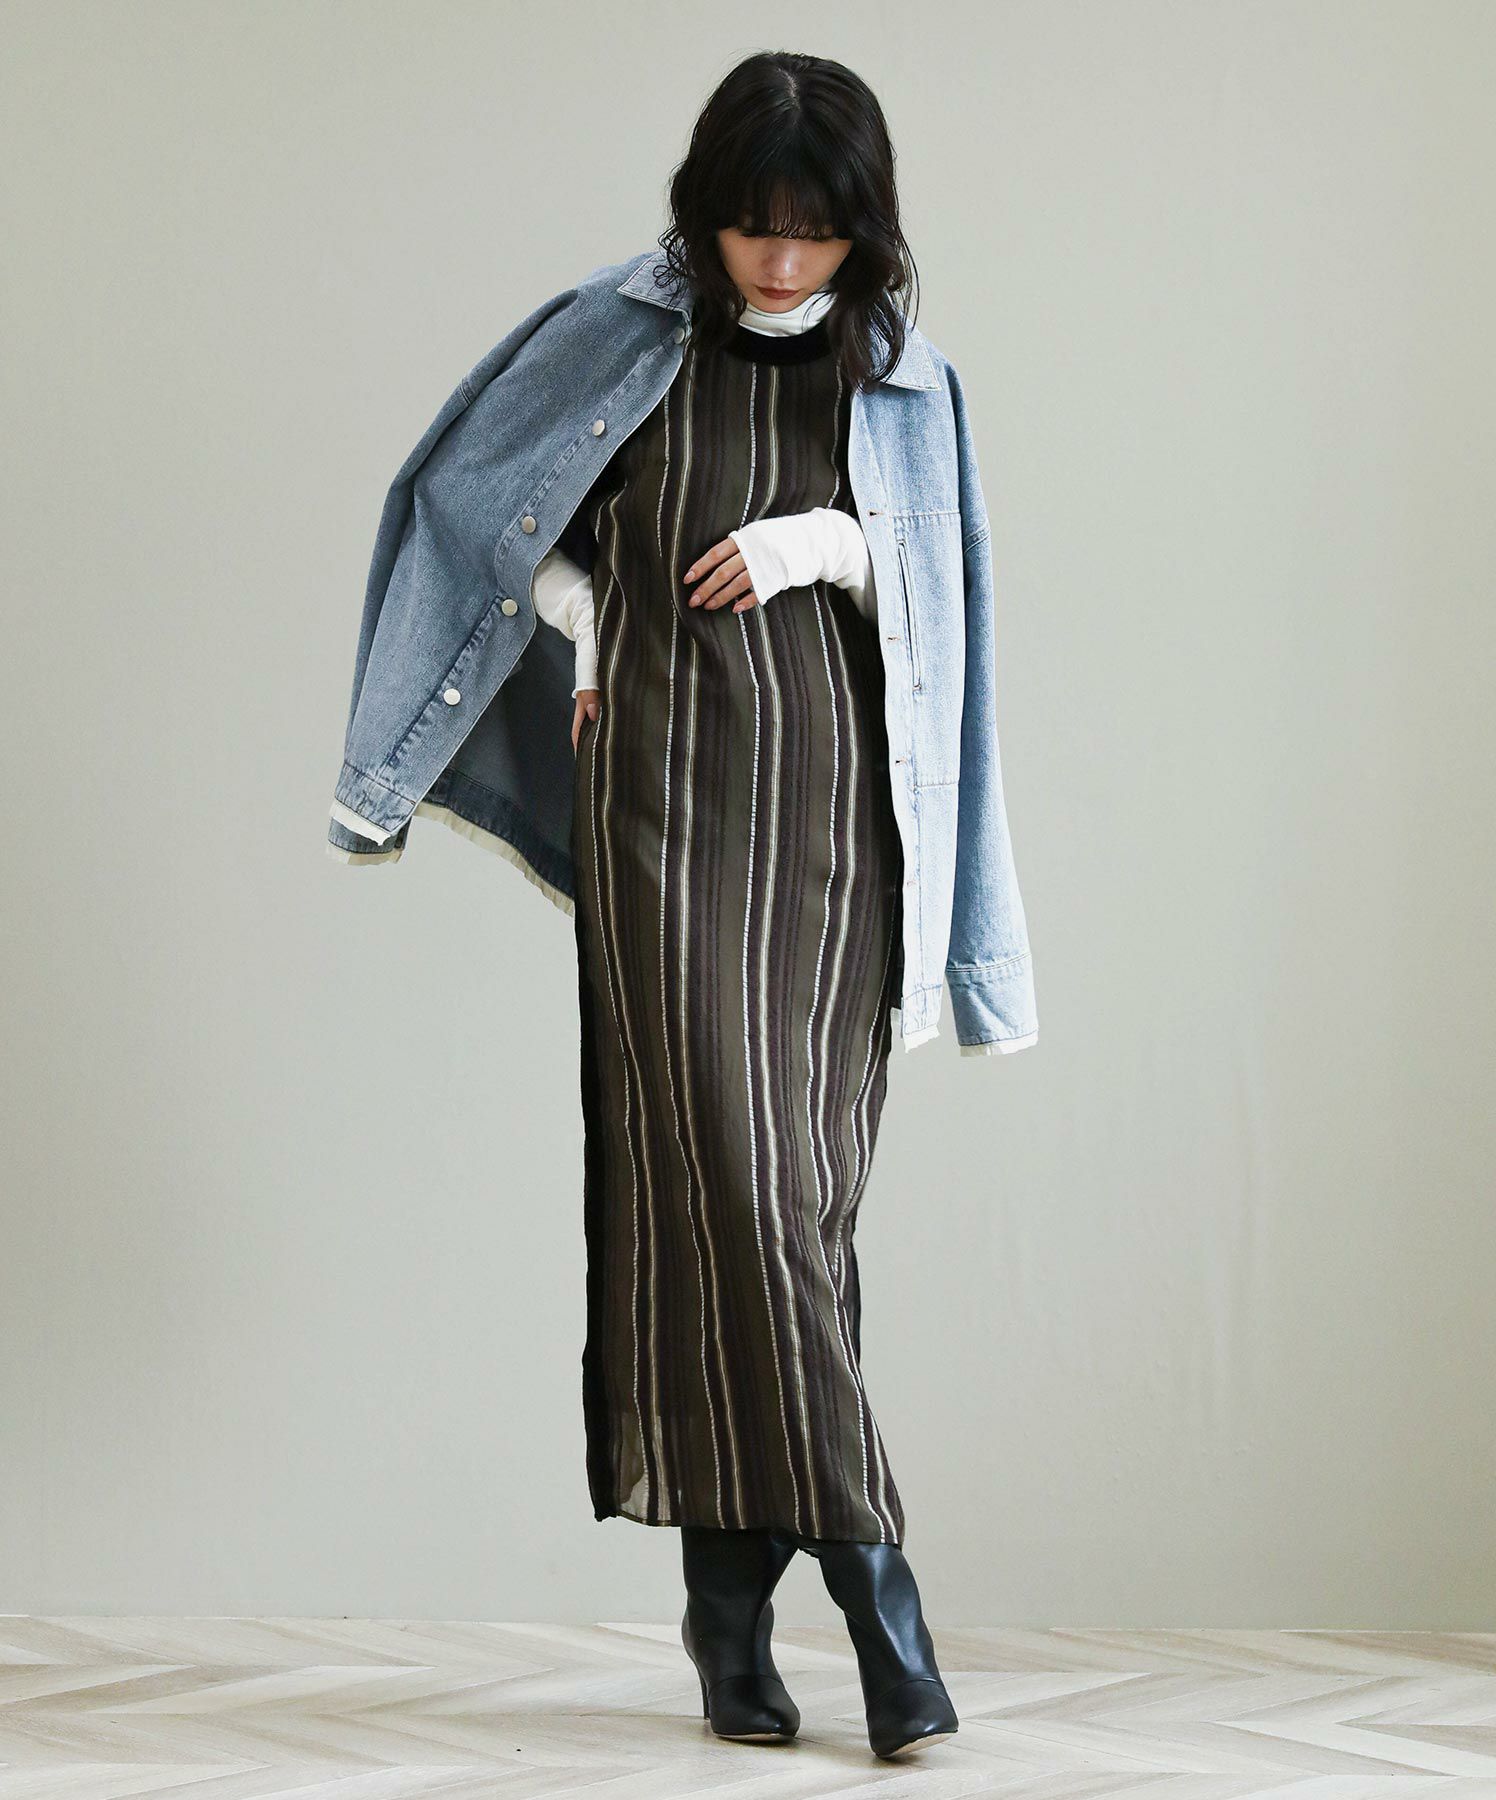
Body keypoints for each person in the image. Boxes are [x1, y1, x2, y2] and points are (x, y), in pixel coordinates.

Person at [328, 47, 1038, 1766]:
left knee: (788, 1212)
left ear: (866, 230)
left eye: (817, 232)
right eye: (750, 227)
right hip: (660, 804)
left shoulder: (908, 381)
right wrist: (589, 612)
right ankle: (881, 1603)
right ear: (702, 214)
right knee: (735, 1182)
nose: (781, 263)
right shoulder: (621, 333)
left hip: (843, 828)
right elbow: (467, 503)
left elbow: (948, 596)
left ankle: (727, 1619)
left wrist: (829, 547)